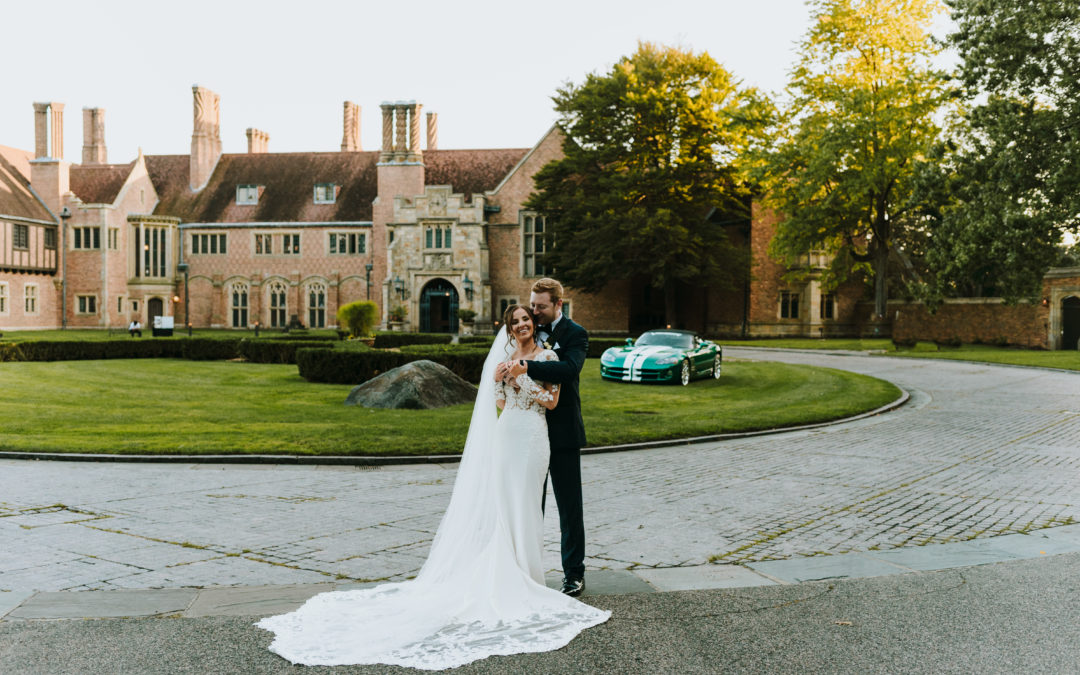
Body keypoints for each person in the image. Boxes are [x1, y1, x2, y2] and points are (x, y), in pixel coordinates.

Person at [256, 304, 609, 669]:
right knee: (504, 505)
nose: (521, 325)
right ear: (509, 329)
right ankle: (509, 571)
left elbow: (552, 401)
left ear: (533, 324)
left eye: (525, 320)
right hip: (508, 436)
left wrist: (522, 379)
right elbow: (500, 404)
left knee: (526, 504)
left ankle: (528, 573)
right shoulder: (505, 356)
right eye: (515, 322)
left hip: (534, 438)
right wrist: (501, 382)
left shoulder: (547, 355)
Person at [502, 277, 588, 597]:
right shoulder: (530, 330)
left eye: (540, 307)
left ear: (558, 305)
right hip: (529, 432)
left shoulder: (576, 334)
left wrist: (526, 367)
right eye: (532, 306)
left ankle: (574, 575)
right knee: (527, 505)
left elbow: (568, 370)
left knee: (569, 507)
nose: (534, 313)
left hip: (562, 431)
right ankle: (527, 569)